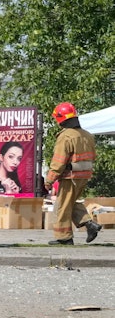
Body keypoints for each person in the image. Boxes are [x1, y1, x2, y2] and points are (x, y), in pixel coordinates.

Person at [44, 102, 100, 245]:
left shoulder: (65, 136)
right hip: (84, 175)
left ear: (60, 119)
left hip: (71, 177)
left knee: (62, 206)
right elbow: (93, 156)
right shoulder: (87, 135)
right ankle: (89, 224)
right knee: (70, 203)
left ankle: (64, 238)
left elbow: (58, 161)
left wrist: (49, 180)